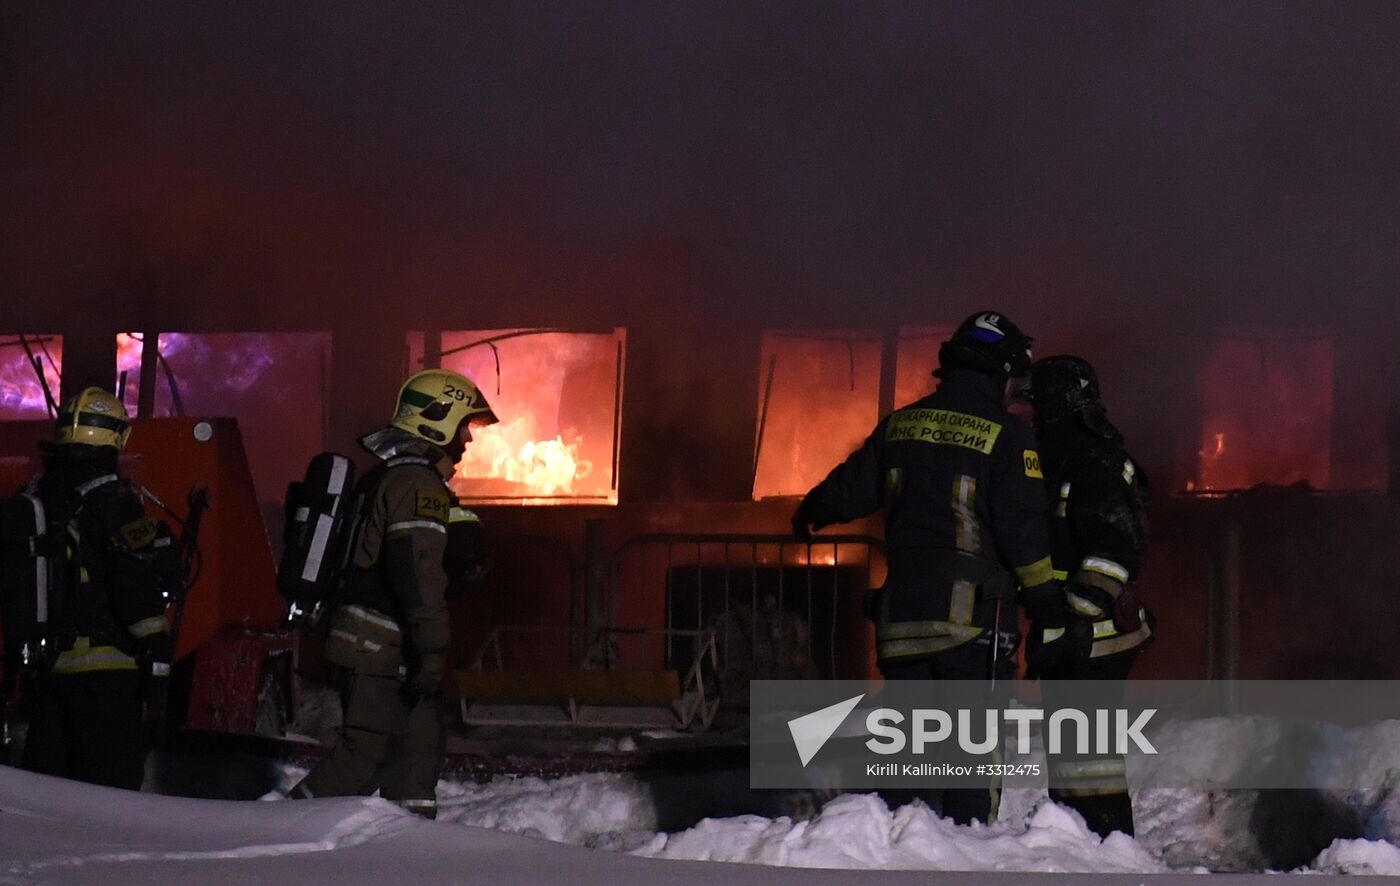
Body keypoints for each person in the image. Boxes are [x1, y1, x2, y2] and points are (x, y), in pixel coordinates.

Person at [791, 311, 1062, 825]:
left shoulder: (901, 425)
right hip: (972, 629)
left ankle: (895, 855)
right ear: (1001, 373)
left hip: (902, 625)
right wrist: (1045, 599)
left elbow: (847, 489)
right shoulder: (1009, 439)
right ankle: (964, 859)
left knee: (906, 755)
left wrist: (811, 512)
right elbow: (1024, 533)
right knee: (970, 762)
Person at [290, 368, 496, 819]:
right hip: (377, 648)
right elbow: (418, 574)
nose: (467, 442)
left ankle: (407, 851)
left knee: (419, 747)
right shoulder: (415, 486)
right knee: (364, 753)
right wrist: (434, 648)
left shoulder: (401, 480)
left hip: (386, 646)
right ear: (436, 421)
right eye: (463, 427)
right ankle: (274, 833)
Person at [1, 387, 173, 789]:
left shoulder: (36, 495)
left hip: (46, 675)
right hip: (106, 679)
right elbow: (133, 580)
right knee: (106, 801)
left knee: (50, 802)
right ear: (118, 437)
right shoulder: (115, 499)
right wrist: (157, 647)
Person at [1024, 354, 1154, 838]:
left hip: (1094, 637)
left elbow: (1111, 554)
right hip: (1076, 635)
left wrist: (1074, 620)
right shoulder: (1070, 457)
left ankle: (1106, 851)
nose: (1034, 417)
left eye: (1041, 407)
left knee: (1088, 765)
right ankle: (1082, 850)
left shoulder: (1094, 462)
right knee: (1074, 760)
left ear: (1062, 406)